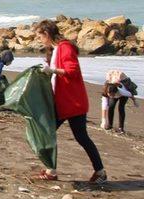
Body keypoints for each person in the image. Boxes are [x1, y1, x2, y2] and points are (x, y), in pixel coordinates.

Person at [34, 19, 106, 183]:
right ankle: (51, 170)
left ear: (47, 34)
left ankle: (100, 172)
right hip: (62, 102)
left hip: (72, 103)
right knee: (48, 133)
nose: (39, 40)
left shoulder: (64, 47)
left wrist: (51, 70)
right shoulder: (55, 50)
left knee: (79, 137)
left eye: (39, 36)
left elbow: (72, 70)